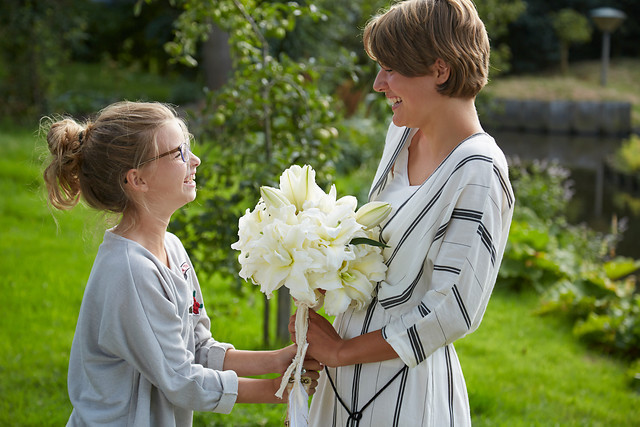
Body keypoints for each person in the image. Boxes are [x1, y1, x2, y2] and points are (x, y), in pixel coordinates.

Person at [291, 0, 515, 425]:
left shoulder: (480, 170)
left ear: (440, 69)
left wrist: (340, 351)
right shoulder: (401, 133)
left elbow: (452, 310)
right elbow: (378, 247)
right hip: (340, 381)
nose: (378, 84)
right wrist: (321, 279)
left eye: (390, 68)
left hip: (402, 393)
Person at [42, 101, 320, 426]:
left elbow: (198, 348)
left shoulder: (171, 249)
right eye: (178, 153)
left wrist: (276, 359)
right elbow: (182, 380)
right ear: (137, 179)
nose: (195, 160)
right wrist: (275, 388)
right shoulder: (132, 271)